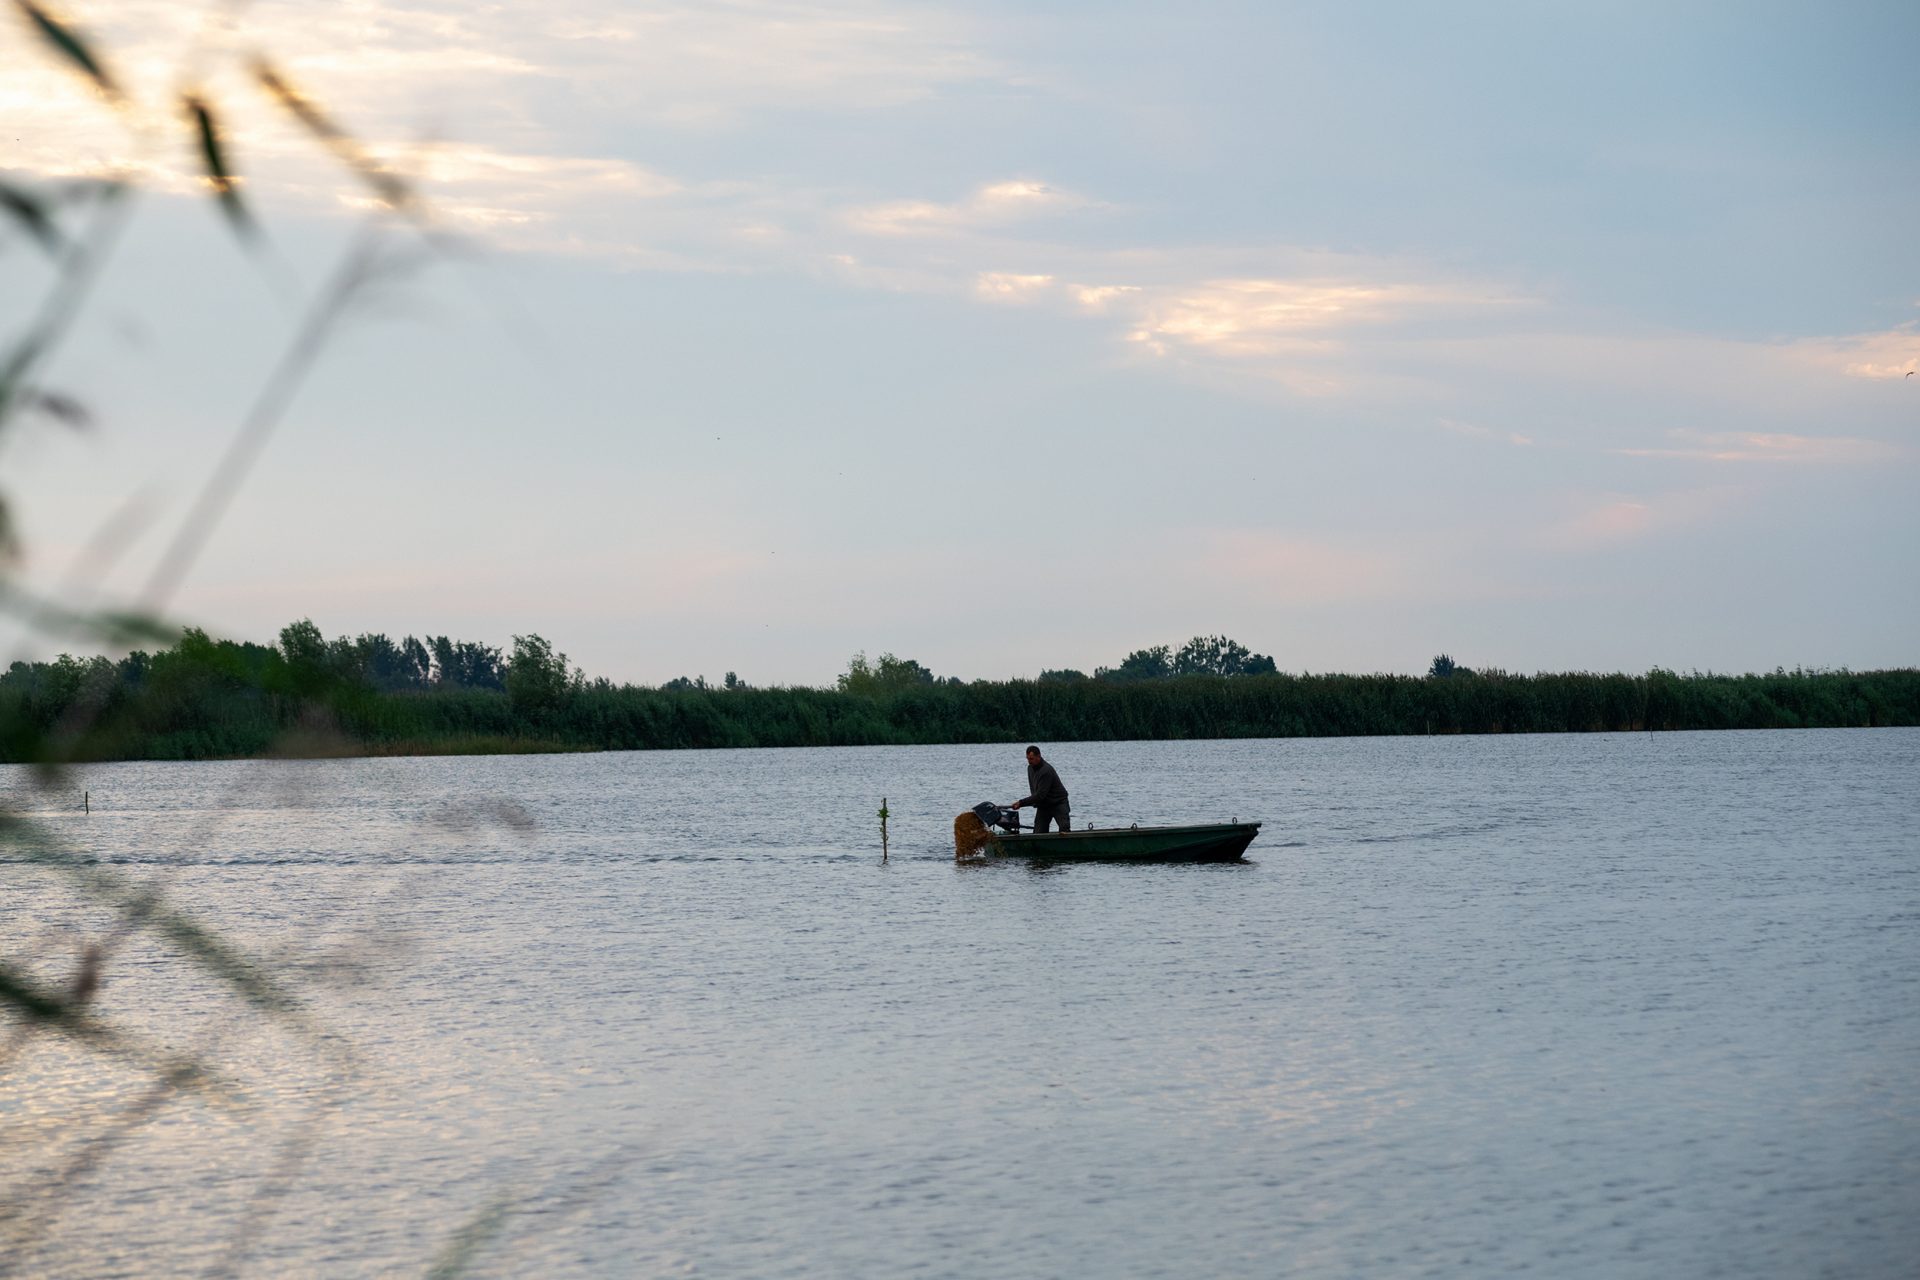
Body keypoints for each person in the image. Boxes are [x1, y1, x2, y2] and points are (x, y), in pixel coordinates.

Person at [1010, 745, 1071, 833]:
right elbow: (1034, 790)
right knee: (1038, 832)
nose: (1029, 761)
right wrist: (1032, 802)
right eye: (1027, 759)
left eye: (1031, 759)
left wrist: (1021, 803)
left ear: (1038, 756)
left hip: (1058, 802)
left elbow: (1040, 795)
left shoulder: (1046, 771)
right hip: (1044, 805)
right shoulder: (1030, 768)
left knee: (1064, 830)